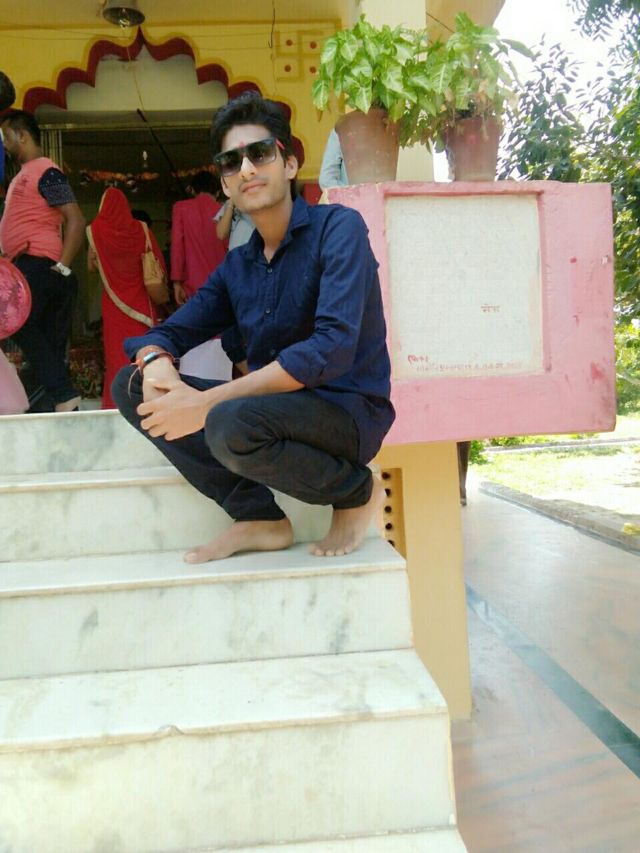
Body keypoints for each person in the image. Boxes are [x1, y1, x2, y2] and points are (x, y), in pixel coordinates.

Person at [112, 92, 394, 564]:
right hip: (274, 413)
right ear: (225, 184)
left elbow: (329, 349)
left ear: (289, 164)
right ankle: (258, 515)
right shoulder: (237, 268)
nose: (246, 169)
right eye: (231, 162)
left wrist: (205, 403)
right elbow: (169, 332)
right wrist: (157, 361)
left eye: (259, 153)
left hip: (347, 412)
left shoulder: (339, 229)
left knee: (229, 421)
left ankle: (354, 491)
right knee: (132, 384)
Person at [0, 110, 85, 412]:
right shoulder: (24, 175)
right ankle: (58, 407)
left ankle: (63, 394)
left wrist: (62, 266)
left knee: (18, 323)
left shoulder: (47, 171)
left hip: (39, 264)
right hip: (29, 266)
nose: (4, 144)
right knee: (45, 346)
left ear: (22, 135)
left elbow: (75, 219)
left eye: (6, 137)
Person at [87, 187, 164, 409]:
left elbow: (91, 267)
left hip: (114, 305)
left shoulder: (96, 230)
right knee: (145, 356)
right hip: (142, 302)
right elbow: (157, 262)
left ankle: (115, 405)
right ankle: (148, 404)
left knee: (116, 357)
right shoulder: (141, 229)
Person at [171, 170, 227, 306]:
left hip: (192, 286)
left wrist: (176, 282)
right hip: (223, 283)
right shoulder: (225, 211)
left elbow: (177, 246)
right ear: (218, 192)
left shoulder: (181, 208)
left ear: (193, 190)